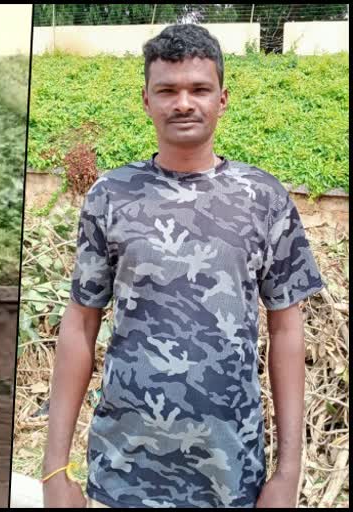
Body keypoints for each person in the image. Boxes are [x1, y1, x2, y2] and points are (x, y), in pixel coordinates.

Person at [41, 24, 325, 508]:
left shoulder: (265, 199)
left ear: (223, 98)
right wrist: (54, 471)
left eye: (199, 89)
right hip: (123, 473)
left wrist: (288, 474)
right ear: (146, 100)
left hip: (233, 476)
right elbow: (80, 325)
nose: (184, 103)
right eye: (167, 90)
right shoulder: (110, 196)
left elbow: (286, 333)